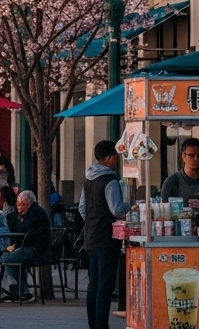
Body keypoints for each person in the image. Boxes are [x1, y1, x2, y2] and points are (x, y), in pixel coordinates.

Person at [82, 140, 130, 329]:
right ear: (109, 157)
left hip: (91, 236)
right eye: (115, 158)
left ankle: (93, 324)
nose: (116, 161)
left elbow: (83, 208)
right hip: (107, 238)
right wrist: (133, 205)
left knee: (93, 284)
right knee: (105, 286)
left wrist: (93, 219)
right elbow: (117, 209)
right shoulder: (109, 180)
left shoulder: (89, 179)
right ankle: (101, 325)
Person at [0, 190, 50, 302]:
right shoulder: (36, 211)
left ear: (28, 203)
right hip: (35, 248)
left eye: (20, 204)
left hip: (34, 250)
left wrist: (19, 217)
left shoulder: (34, 213)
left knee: (5, 258)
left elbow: (23, 230)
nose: (18, 207)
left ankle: (22, 291)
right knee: (12, 259)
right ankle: (22, 291)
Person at [160, 137, 199, 205]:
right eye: (191, 155)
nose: (196, 159)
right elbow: (165, 209)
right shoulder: (172, 182)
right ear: (183, 156)